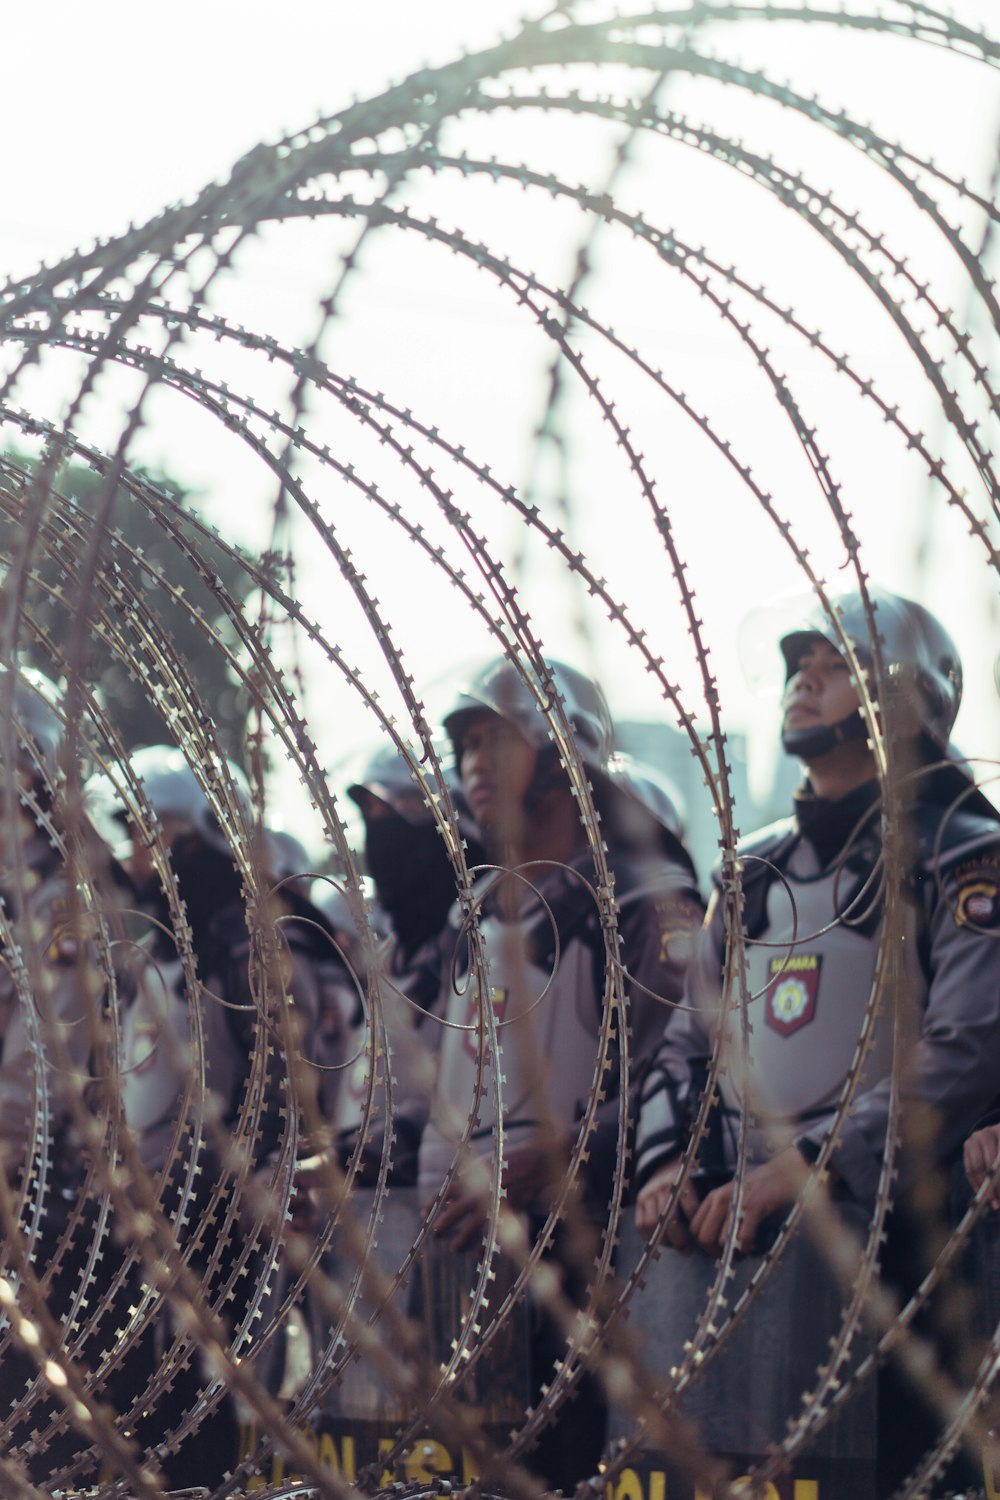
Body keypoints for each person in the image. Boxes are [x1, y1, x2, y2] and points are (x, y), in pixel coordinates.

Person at [632, 584, 1000, 1496]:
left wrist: (813, 1162)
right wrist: (666, 1163)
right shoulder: (749, 870)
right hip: (738, 1236)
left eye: (840, 668)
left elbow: (965, 1052)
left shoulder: (966, 855)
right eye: (802, 666)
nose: (808, 682)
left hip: (903, 1239)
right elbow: (688, 1043)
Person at [418, 655, 703, 1490]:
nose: (473, 763)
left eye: (493, 740)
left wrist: (567, 1151)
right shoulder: (469, 907)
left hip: (593, 1253)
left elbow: (681, 1067)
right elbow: (451, 1075)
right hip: (472, 1260)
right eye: (464, 744)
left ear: (563, 748)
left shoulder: (642, 899)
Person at [89, 744, 337, 1489]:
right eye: (130, 835)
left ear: (202, 832)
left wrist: (227, 1169)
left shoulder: (243, 943)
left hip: (225, 1216)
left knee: (218, 1409)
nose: (138, 855)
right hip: (151, 1216)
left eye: (153, 833)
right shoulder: (157, 948)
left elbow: (288, 1081)